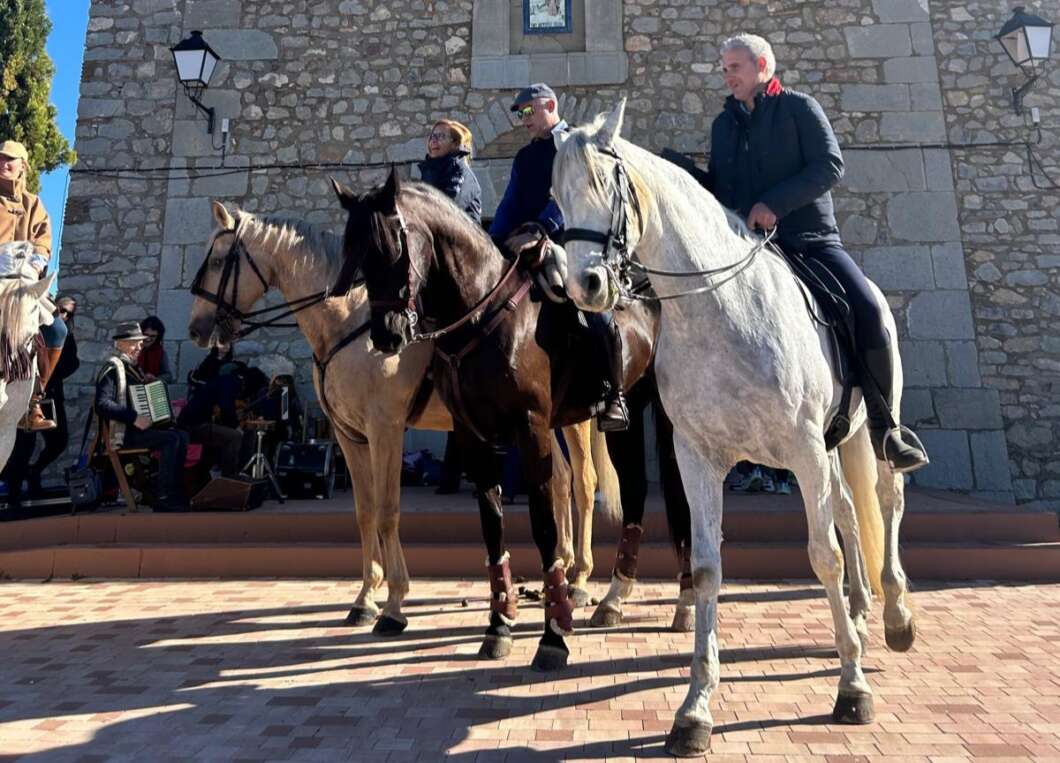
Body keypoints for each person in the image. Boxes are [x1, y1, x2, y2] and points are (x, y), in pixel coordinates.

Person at [702, 34, 928, 472]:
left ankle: (886, 429)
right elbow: (722, 189)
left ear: (762, 65)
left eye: (734, 67)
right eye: (724, 67)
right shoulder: (722, 126)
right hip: (748, 251)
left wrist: (774, 206)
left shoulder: (800, 108)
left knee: (867, 310)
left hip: (810, 240)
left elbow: (829, 165)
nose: (726, 75)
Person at [489, 83, 628, 432]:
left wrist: (542, 226)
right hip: (525, 242)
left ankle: (615, 395)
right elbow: (509, 204)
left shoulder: (574, 144)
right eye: (518, 114)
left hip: (570, 241)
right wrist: (493, 241)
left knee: (592, 309)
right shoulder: (525, 157)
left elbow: (574, 197)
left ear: (550, 105)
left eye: (527, 111)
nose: (523, 120)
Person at [419, 118, 482, 493]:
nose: (433, 139)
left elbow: (444, 216)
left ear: (458, 144)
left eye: (440, 135)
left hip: (457, 264)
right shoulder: (431, 172)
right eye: (431, 134)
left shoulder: (458, 173)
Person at [94, 321, 189, 512]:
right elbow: (101, 404)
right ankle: (162, 497)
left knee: (181, 435)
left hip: (138, 430)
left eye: (140, 342)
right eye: (134, 342)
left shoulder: (131, 369)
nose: (139, 346)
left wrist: (148, 385)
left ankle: (174, 492)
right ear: (120, 344)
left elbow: (133, 396)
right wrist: (134, 417)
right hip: (124, 434)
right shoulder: (112, 368)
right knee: (171, 440)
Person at [0, 139, 60, 431]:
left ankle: (33, 401)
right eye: (0, 159)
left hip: (23, 282)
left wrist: (35, 266)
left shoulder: (33, 204)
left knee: (57, 330)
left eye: (10, 160)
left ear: (23, 165)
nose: (3, 164)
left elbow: (43, 243)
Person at [27, 296, 80, 493]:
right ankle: (17, 488)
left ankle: (33, 471)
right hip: (30, 392)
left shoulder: (67, 336)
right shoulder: (36, 329)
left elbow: (73, 363)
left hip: (52, 394)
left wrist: (54, 373)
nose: (64, 315)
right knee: (25, 443)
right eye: (62, 310)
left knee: (58, 440)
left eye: (69, 313)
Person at [419, 119, 482, 224]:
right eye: (432, 136)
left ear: (455, 144)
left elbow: (448, 209)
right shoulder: (429, 171)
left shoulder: (461, 172)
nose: (434, 140)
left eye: (441, 136)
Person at [136, 315, 175, 383]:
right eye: (146, 335)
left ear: (158, 337)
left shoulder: (160, 352)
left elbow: (168, 376)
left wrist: (155, 379)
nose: (148, 339)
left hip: (153, 390)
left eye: (153, 336)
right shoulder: (134, 349)